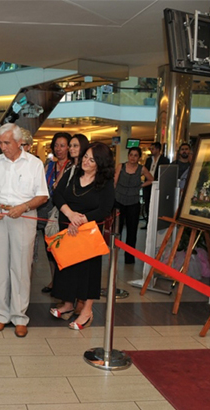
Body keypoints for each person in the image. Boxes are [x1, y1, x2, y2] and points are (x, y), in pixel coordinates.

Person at [0, 123, 48, 338]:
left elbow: (42, 195)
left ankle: (19, 317)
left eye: (7, 143)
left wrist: (24, 206)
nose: (3, 147)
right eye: (0, 143)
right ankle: (1, 316)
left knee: (20, 268)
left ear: (19, 142)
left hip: (23, 217)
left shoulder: (34, 164)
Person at [50, 142, 116, 329]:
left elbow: (105, 209)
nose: (86, 161)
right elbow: (57, 195)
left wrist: (81, 220)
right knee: (68, 268)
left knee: (88, 272)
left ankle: (87, 311)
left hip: (88, 233)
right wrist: (70, 214)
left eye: (92, 160)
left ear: (100, 164)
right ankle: (68, 304)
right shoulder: (73, 173)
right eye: (85, 156)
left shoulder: (105, 183)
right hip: (68, 230)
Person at [41, 132, 72, 292]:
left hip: (65, 211)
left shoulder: (72, 167)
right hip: (47, 210)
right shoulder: (49, 166)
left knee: (64, 249)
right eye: (56, 145)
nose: (59, 149)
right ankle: (54, 281)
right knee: (50, 249)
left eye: (62, 145)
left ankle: (63, 284)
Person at [114, 147, 154, 264]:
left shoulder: (142, 169)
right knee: (117, 230)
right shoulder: (121, 166)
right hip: (119, 201)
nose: (133, 157)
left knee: (132, 231)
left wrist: (141, 186)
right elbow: (114, 182)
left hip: (133, 203)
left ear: (139, 157)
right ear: (128, 156)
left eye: (135, 155)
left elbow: (151, 179)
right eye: (131, 155)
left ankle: (129, 258)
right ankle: (114, 254)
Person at [142, 142, 170, 225]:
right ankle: (148, 223)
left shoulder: (164, 160)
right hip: (148, 184)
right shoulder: (148, 160)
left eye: (153, 149)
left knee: (157, 204)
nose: (151, 150)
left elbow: (165, 173)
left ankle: (156, 223)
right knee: (147, 204)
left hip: (158, 184)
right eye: (150, 148)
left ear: (158, 149)